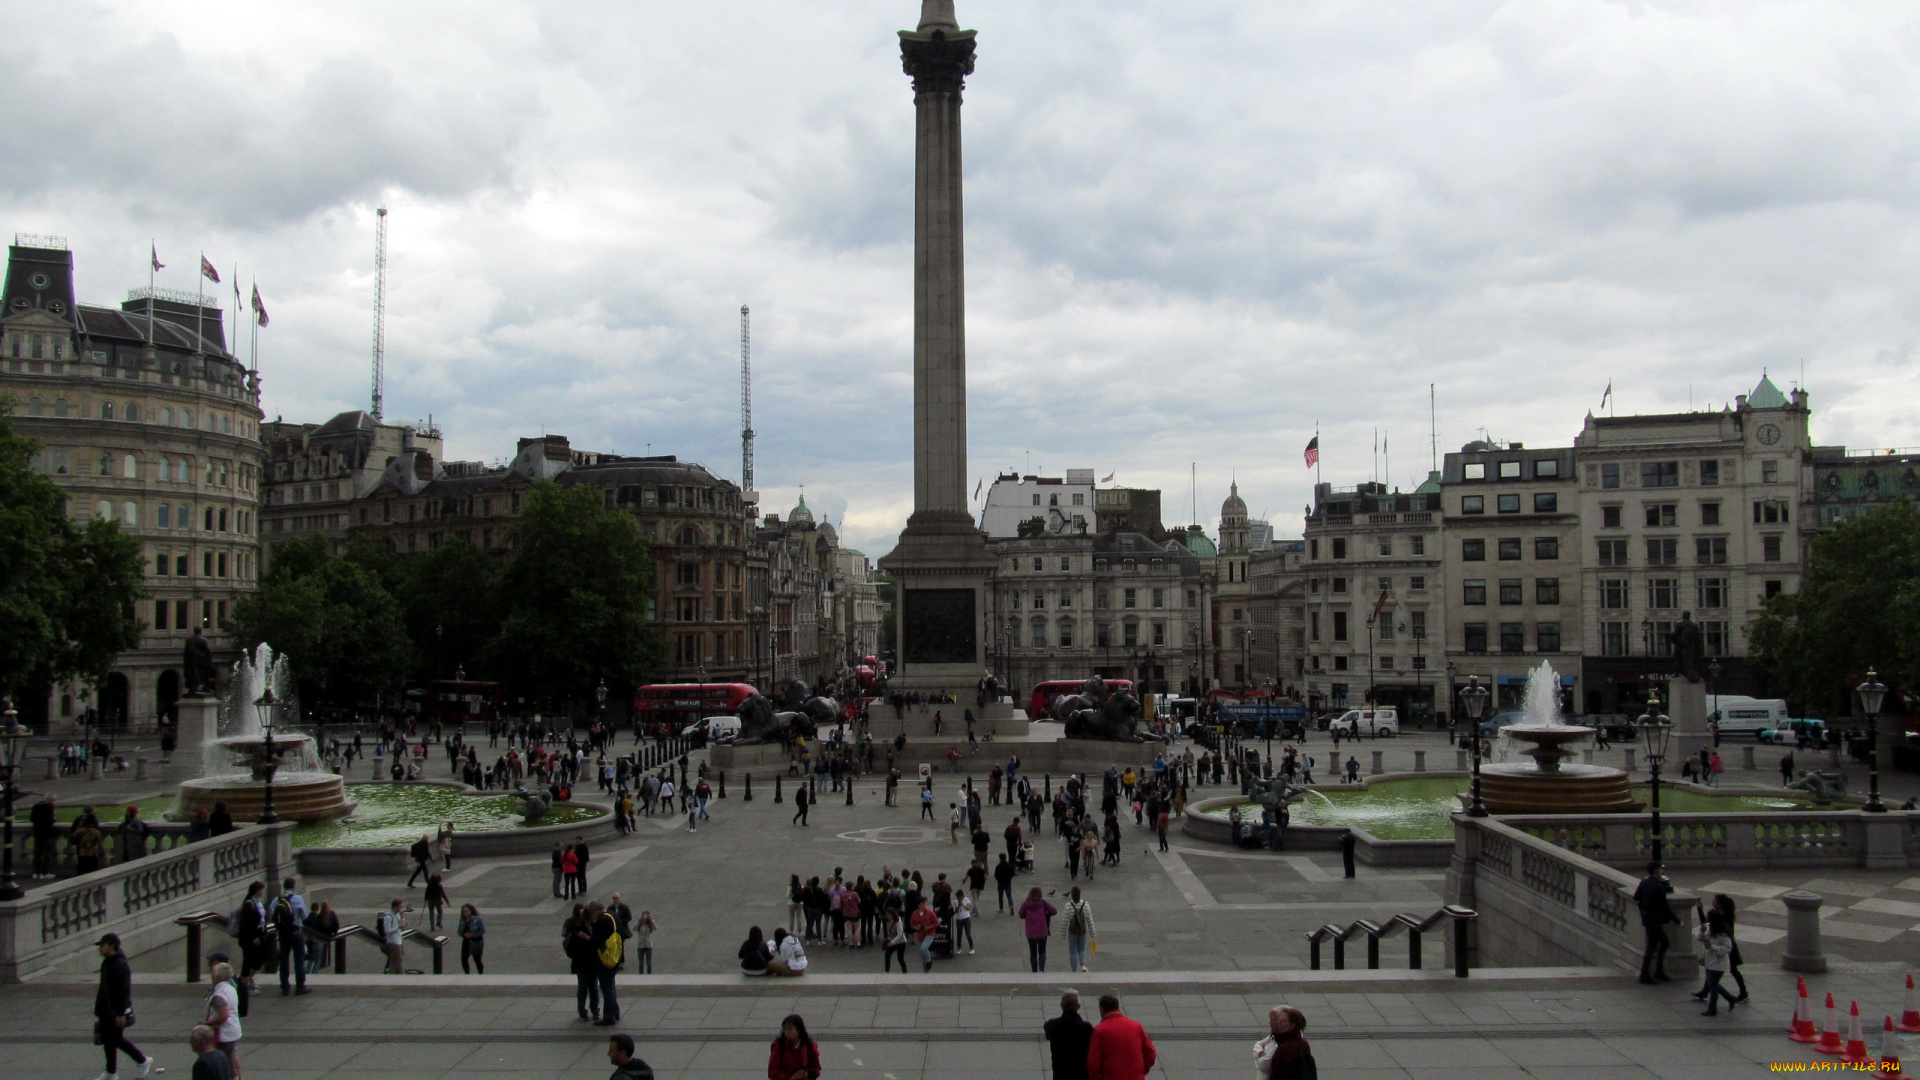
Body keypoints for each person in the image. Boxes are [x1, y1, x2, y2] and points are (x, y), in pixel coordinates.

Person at [94, 933, 153, 1080]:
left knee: (116, 1040)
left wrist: (120, 1013)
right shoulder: (108, 962)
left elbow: (124, 991)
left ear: (111, 945)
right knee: (108, 1041)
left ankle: (142, 1060)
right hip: (105, 1009)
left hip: (114, 1012)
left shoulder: (119, 965)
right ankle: (111, 1072)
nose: (100, 948)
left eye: (102, 945)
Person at [1693, 894, 1748, 1003]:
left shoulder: (1725, 916)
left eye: (1714, 901)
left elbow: (1709, 923)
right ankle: (1704, 992)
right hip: (1721, 944)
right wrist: (1700, 910)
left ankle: (1743, 992)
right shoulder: (1719, 914)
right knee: (1712, 968)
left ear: (1719, 904)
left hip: (1726, 945)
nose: (1712, 902)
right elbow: (1708, 923)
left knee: (1732, 970)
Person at [1087, 994, 1157, 1080]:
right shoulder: (1136, 1026)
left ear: (1101, 1010)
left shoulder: (1099, 1031)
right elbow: (1151, 1053)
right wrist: (1141, 1070)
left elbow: (1093, 1063)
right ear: (1117, 1007)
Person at [1633, 861, 1677, 984]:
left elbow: (1636, 897)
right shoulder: (1658, 887)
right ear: (1655, 871)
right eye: (1660, 870)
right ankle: (1646, 974)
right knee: (1652, 947)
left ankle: (1657, 971)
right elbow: (1666, 907)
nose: (1662, 872)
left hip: (1647, 918)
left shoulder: (1644, 882)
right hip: (1655, 920)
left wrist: (1644, 908)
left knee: (1662, 943)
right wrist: (1677, 921)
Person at [270, 876, 310, 996]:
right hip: (296, 932)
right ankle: (300, 986)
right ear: (294, 886)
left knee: (284, 959)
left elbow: (272, 915)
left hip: (282, 933)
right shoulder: (298, 899)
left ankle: (285, 986)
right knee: (299, 959)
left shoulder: (276, 900)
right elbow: (304, 917)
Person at [1044, 990, 1094, 1080]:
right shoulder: (1085, 1027)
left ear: (1061, 1005)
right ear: (1078, 1006)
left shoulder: (1051, 1025)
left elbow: (1048, 1035)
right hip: (1080, 1074)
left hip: (1060, 1073)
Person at [203, 960, 242, 1074]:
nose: (211, 976)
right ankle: (239, 1077)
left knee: (224, 1062)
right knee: (232, 1057)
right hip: (234, 1029)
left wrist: (207, 1023)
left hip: (223, 1033)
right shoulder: (231, 989)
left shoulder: (219, 994)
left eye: (213, 974)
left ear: (218, 977)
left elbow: (223, 1016)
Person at [1253, 1005, 1313, 1080]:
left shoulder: (1286, 1047)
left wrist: (1260, 1054)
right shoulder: (1298, 1041)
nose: (1279, 1023)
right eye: (1279, 1020)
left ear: (1292, 1025)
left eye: (1283, 1021)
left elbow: (1265, 1066)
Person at [589, 900, 622, 1026]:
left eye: (591, 913)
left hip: (605, 958)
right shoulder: (613, 916)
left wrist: (588, 938)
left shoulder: (601, 921)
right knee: (611, 985)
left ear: (595, 911)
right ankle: (615, 1012)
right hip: (615, 956)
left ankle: (609, 1016)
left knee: (606, 987)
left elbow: (596, 941)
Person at [1696, 914, 1737, 1016]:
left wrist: (1713, 947)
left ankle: (1712, 1008)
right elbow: (1700, 938)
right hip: (1709, 961)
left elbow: (1728, 948)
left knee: (1713, 985)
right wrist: (1701, 930)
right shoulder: (1709, 929)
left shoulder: (1723, 934)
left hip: (1718, 964)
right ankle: (1730, 998)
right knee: (1712, 984)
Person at [566, 903, 601, 1020]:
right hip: (581, 962)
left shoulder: (596, 927)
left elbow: (597, 943)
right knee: (583, 986)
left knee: (593, 986)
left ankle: (595, 1009)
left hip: (593, 961)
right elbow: (572, 947)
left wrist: (589, 939)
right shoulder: (577, 928)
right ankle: (582, 1010)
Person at [234, 881, 268, 996]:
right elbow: (245, 924)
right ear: (257, 890)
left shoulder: (258, 902)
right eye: (261, 889)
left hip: (259, 933)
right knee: (248, 959)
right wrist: (253, 936)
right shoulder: (249, 904)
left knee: (262, 955)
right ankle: (244, 983)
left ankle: (248, 978)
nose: (263, 892)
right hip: (249, 937)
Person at [768, 1014, 821, 1080]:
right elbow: (772, 1072)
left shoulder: (809, 1046)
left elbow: (816, 1069)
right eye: (785, 1029)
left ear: (798, 1030)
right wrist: (791, 1078)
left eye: (790, 1029)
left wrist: (808, 1074)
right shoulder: (779, 1046)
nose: (787, 1032)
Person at [1018, 886, 1057, 972]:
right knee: (1042, 951)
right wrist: (1047, 914)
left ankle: (1034, 971)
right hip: (1042, 931)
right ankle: (1042, 970)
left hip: (1030, 933)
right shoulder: (1043, 903)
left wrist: (1027, 916)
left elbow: (1021, 915)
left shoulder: (1026, 904)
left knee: (1033, 952)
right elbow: (1054, 911)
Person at [1063, 886, 1096, 973]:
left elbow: (1065, 920)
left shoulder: (1068, 906)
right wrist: (1092, 933)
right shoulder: (1086, 905)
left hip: (1072, 931)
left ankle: (1074, 968)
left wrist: (1063, 933)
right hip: (1082, 931)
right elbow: (1089, 920)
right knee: (1082, 949)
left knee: (1073, 950)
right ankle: (1083, 966)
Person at [909, 896, 939, 973]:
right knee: (922, 954)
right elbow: (912, 924)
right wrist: (917, 927)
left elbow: (936, 923)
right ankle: (926, 969)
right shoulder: (914, 914)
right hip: (920, 934)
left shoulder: (930, 912)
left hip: (929, 933)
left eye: (925, 902)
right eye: (923, 903)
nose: (925, 904)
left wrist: (928, 927)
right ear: (919, 904)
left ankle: (929, 961)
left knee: (923, 948)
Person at [379, 898, 407, 975]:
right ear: (395, 907)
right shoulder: (388, 917)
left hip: (398, 939)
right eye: (400, 907)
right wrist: (398, 928)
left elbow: (401, 924)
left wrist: (402, 918)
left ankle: (390, 974)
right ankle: (402, 975)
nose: (401, 909)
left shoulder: (397, 915)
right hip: (393, 941)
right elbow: (387, 931)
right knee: (399, 959)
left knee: (393, 961)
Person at [30, 793, 56, 877]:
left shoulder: (36, 806)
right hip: (46, 832)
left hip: (37, 832)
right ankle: (44, 872)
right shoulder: (49, 807)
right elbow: (51, 820)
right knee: (46, 853)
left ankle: (36, 872)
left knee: (37, 853)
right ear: (50, 799)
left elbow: (31, 818)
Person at [457, 904, 486, 974]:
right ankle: (467, 973)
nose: (465, 913)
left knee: (477, 959)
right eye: (463, 912)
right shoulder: (462, 921)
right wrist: (463, 934)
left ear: (471, 911)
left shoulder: (478, 919)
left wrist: (473, 935)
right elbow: (459, 931)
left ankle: (481, 973)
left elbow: (483, 930)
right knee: (464, 959)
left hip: (476, 941)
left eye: (466, 911)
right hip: (466, 941)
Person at [952, 888, 976, 955]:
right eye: (958, 897)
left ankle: (971, 948)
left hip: (966, 919)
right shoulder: (955, 902)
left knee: (968, 933)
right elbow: (955, 911)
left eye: (960, 897)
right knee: (959, 934)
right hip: (959, 919)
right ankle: (959, 948)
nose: (959, 898)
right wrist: (958, 906)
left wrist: (963, 905)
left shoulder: (966, 899)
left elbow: (969, 908)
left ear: (962, 896)